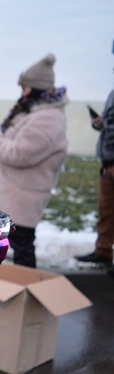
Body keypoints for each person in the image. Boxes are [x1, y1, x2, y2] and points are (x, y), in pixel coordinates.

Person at [0, 53, 69, 268]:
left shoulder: (48, 118)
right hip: (6, 198)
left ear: (37, 88)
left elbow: (18, 153)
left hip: (16, 202)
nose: (22, 93)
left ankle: (28, 293)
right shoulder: (33, 112)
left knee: (19, 246)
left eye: (25, 87)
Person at [75, 69, 114, 272]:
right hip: (108, 162)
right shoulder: (111, 94)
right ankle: (103, 251)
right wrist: (100, 124)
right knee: (106, 212)